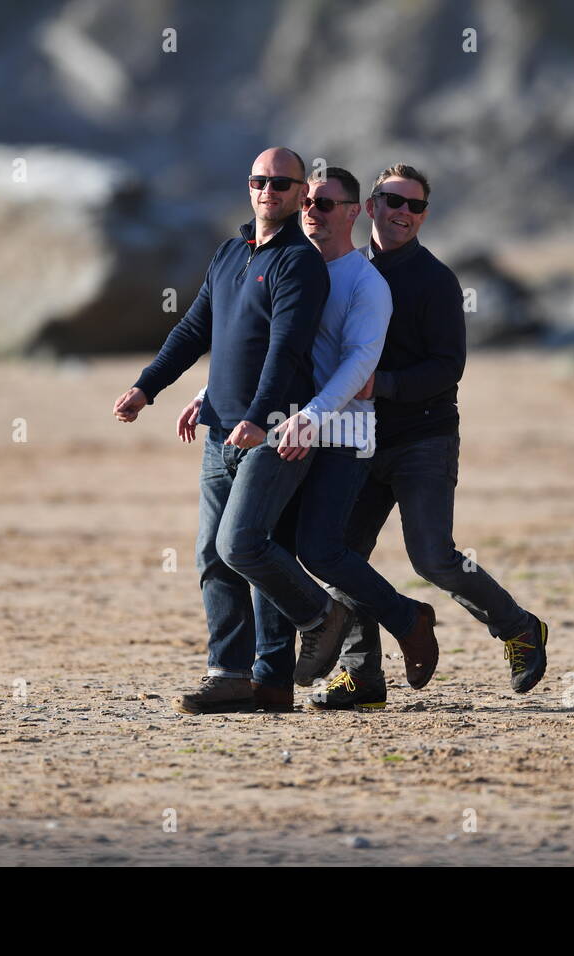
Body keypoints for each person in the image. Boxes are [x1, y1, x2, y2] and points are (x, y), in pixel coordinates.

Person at [177, 166, 440, 711]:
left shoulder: (365, 282)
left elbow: (359, 362)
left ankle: (402, 621)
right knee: (265, 547)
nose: (311, 211)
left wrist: (312, 418)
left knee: (318, 550)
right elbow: (264, 345)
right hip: (290, 426)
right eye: (308, 203)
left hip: (338, 433)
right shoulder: (291, 264)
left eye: (324, 203)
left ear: (352, 211)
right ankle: (270, 677)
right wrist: (211, 392)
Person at [112, 147, 349, 716]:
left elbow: (287, 347)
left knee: (242, 543)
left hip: (274, 429)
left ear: (298, 195)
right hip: (221, 430)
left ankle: (321, 617)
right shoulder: (229, 254)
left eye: (282, 183)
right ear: (249, 188)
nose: (269, 190)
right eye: (259, 181)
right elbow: (195, 329)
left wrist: (257, 414)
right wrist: (149, 387)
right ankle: (237, 677)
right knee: (214, 556)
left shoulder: (299, 263)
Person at [308, 163, 550, 711]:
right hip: (358, 439)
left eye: (414, 206)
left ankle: (518, 628)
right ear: (369, 207)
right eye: (392, 201)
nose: (402, 213)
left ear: (423, 216)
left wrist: (382, 383)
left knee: (432, 556)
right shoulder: (348, 271)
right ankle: (361, 677)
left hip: (424, 438)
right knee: (341, 554)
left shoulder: (436, 281)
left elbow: (449, 367)